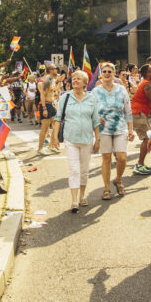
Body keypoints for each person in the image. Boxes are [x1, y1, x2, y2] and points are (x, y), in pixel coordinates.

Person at [57, 71, 100, 212]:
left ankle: (82, 196)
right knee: (74, 169)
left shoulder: (92, 98)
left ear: (85, 83)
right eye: (74, 79)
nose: (75, 81)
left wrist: (97, 138)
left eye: (78, 79)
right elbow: (58, 118)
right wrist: (54, 138)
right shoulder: (65, 97)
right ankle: (74, 200)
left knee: (84, 170)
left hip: (87, 139)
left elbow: (95, 120)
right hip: (71, 139)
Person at [93, 63, 134, 199]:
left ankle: (118, 179)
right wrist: (97, 118)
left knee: (122, 158)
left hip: (120, 127)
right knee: (106, 159)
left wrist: (130, 129)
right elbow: (91, 110)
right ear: (101, 74)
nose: (107, 73)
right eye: (104, 71)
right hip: (103, 130)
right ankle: (106, 188)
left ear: (114, 73)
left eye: (109, 71)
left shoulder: (122, 90)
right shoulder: (95, 91)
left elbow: (128, 110)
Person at [131, 64, 151, 174]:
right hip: (138, 113)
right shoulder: (147, 85)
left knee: (147, 138)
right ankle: (139, 165)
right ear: (145, 74)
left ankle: (140, 164)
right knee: (146, 139)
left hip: (140, 113)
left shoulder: (149, 84)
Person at [38, 63, 61, 154]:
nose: (57, 70)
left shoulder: (51, 80)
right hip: (46, 105)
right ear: (51, 70)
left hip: (51, 104)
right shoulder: (46, 81)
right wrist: (44, 108)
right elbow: (43, 95)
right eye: (55, 69)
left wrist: (59, 81)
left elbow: (54, 91)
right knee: (45, 128)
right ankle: (40, 148)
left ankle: (51, 146)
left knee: (55, 126)